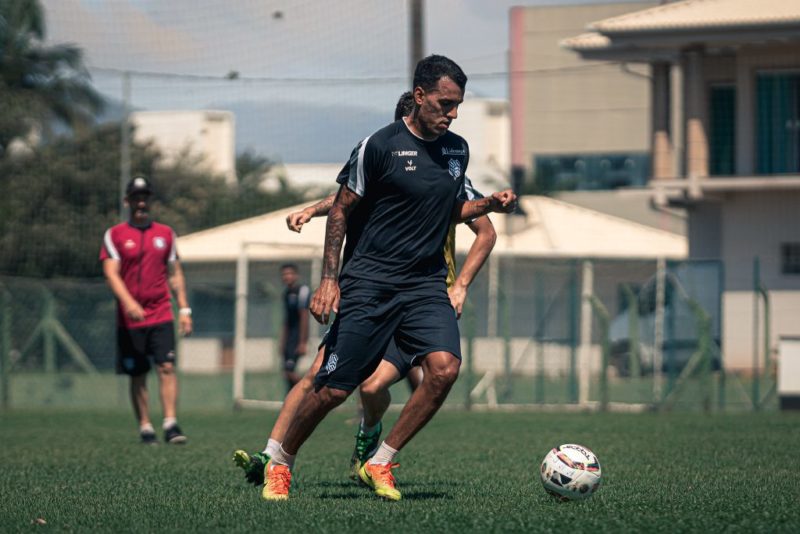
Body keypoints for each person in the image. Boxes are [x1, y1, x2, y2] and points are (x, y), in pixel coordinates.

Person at [261, 54, 516, 501]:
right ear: (419, 97)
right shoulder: (378, 146)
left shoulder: (457, 150)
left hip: (424, 285)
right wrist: (329, 280)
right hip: (370, 284)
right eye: (444, 103)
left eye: (457, 106)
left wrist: (488, 204)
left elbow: (450, 210)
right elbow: (341, 207)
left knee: (444, 369)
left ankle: (381, 460)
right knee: (333, 389)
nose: (452, 114)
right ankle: (280, 462)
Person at [100, 176, 192, 445]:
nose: (141, 203)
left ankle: (171, 424)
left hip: (161, 312)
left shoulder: (165, 234)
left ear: (150, 201)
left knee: (166, 365)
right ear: (127, 201)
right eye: (136, 198)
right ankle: (145, 426)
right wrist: (128, 303)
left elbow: (175, 274)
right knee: (138, 373)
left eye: (145, 197)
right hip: (129, 320)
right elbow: (111, 273)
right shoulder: (114, 235)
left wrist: (185, 309)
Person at [278, 263, 310, 394]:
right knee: (287, 374)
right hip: (289, 339)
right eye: (284, 274)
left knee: (289, 372)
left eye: (290, 273)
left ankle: (312, 392)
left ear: (296, 275)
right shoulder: (286, 294)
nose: (287, 277)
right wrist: (282, 342)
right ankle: (292, 404)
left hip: (297, 337)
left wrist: (302, 342)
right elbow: (287, 320)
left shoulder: (302, 290)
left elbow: (304, 316)